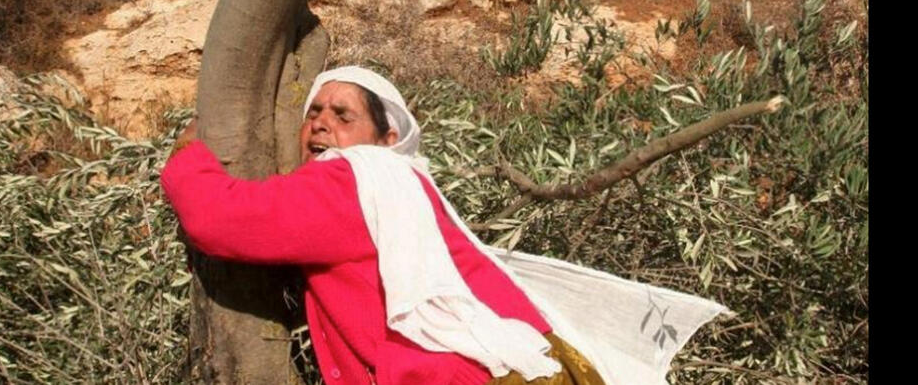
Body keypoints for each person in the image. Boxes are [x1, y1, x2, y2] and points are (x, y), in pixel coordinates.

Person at [162, 66, 726, 384]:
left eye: (342, 115)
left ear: (386, 140)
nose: (321, 125)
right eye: (314, 111)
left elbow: (221, 220)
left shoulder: (356, 179)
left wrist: (189, 155)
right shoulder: (404, 191)